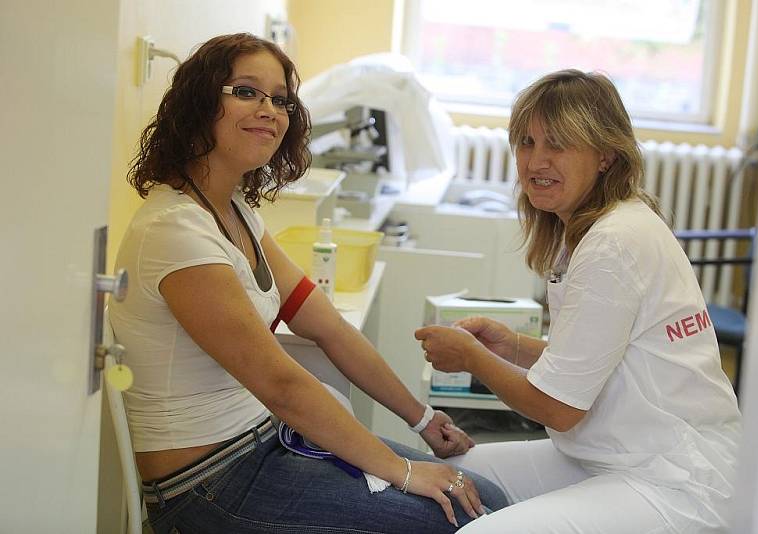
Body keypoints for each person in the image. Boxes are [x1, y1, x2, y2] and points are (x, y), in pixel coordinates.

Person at [109, 33, 507, 534]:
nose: (270, 110)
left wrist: (423, 419)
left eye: (280, 99)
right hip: (208, 485)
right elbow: (282, 385)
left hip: (265, 442)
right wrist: (404, 472)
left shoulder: (237, 214)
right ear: (198, 103)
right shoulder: (175, 231)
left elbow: (330, 328)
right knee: (462, 518)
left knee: (484, 498)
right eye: (247, 91)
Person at [415, 69, 741, 534]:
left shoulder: (613, 244)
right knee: (464, 469)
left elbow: (558, 409)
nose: (535, 161)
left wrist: (470, 357)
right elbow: (597, 359)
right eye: (526, 143)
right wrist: (512, 347)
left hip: (674, 478)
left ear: (606, 154)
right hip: (618, 453)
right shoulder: (602, 226)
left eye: (557, 145)